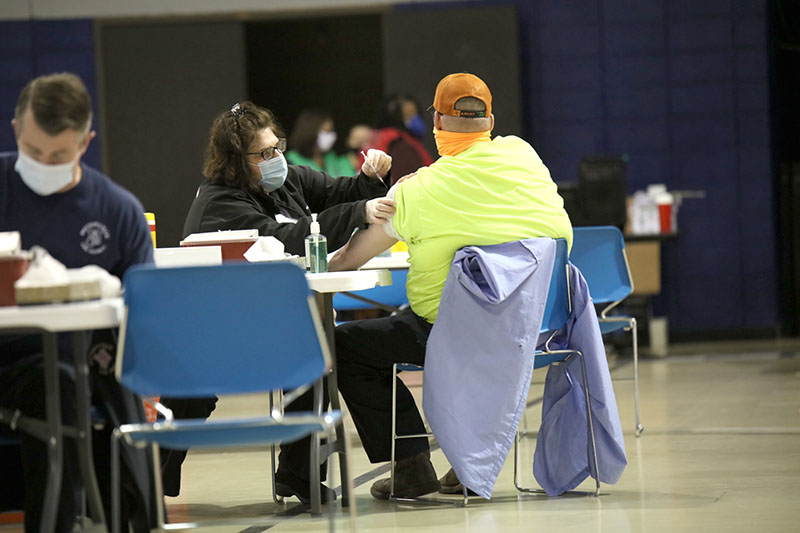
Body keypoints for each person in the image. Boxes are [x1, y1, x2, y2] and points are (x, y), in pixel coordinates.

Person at [328, 72, 573, 500]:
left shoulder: (421, 190)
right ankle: (466, 462)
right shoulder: (524, 154)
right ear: (491, 119)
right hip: (537, 327)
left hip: (454, 330)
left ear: (437, 122)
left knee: (347, 346)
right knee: (439, 324)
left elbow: (349, 259)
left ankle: (410, 466)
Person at [168, 101, 395, 505]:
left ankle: (297, 473)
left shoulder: (282, 179)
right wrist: (360, 211)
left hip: (263, 322)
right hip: (211, 332)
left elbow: (340, 192)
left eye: (278, 147)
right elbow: (287, 239)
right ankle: (147, 476)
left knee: (312, 348)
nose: (276, 158)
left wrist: (369, 175)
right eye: (265, 153)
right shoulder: (220, 203)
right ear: (236, 160)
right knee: (302, 348)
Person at [0, 73, 156, 531]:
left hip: (79, 366)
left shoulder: (117, 211)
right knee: (60, 389)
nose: (44, 163)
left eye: (59, 155)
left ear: (85, 143)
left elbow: (143, 318)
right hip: (7, 359)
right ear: (15, 132)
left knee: (71, 390)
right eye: (33, 153)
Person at [365, 94, 434, 186]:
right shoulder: (401, 147)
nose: (415, 120)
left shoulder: (378, 138)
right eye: (409, 116)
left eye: (415, 114)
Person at [284, 108, 355, 177]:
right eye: (326, 131)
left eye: (331, 131)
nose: (330, 136)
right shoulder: (291, 162)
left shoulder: (331, 158)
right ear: (310, 132)